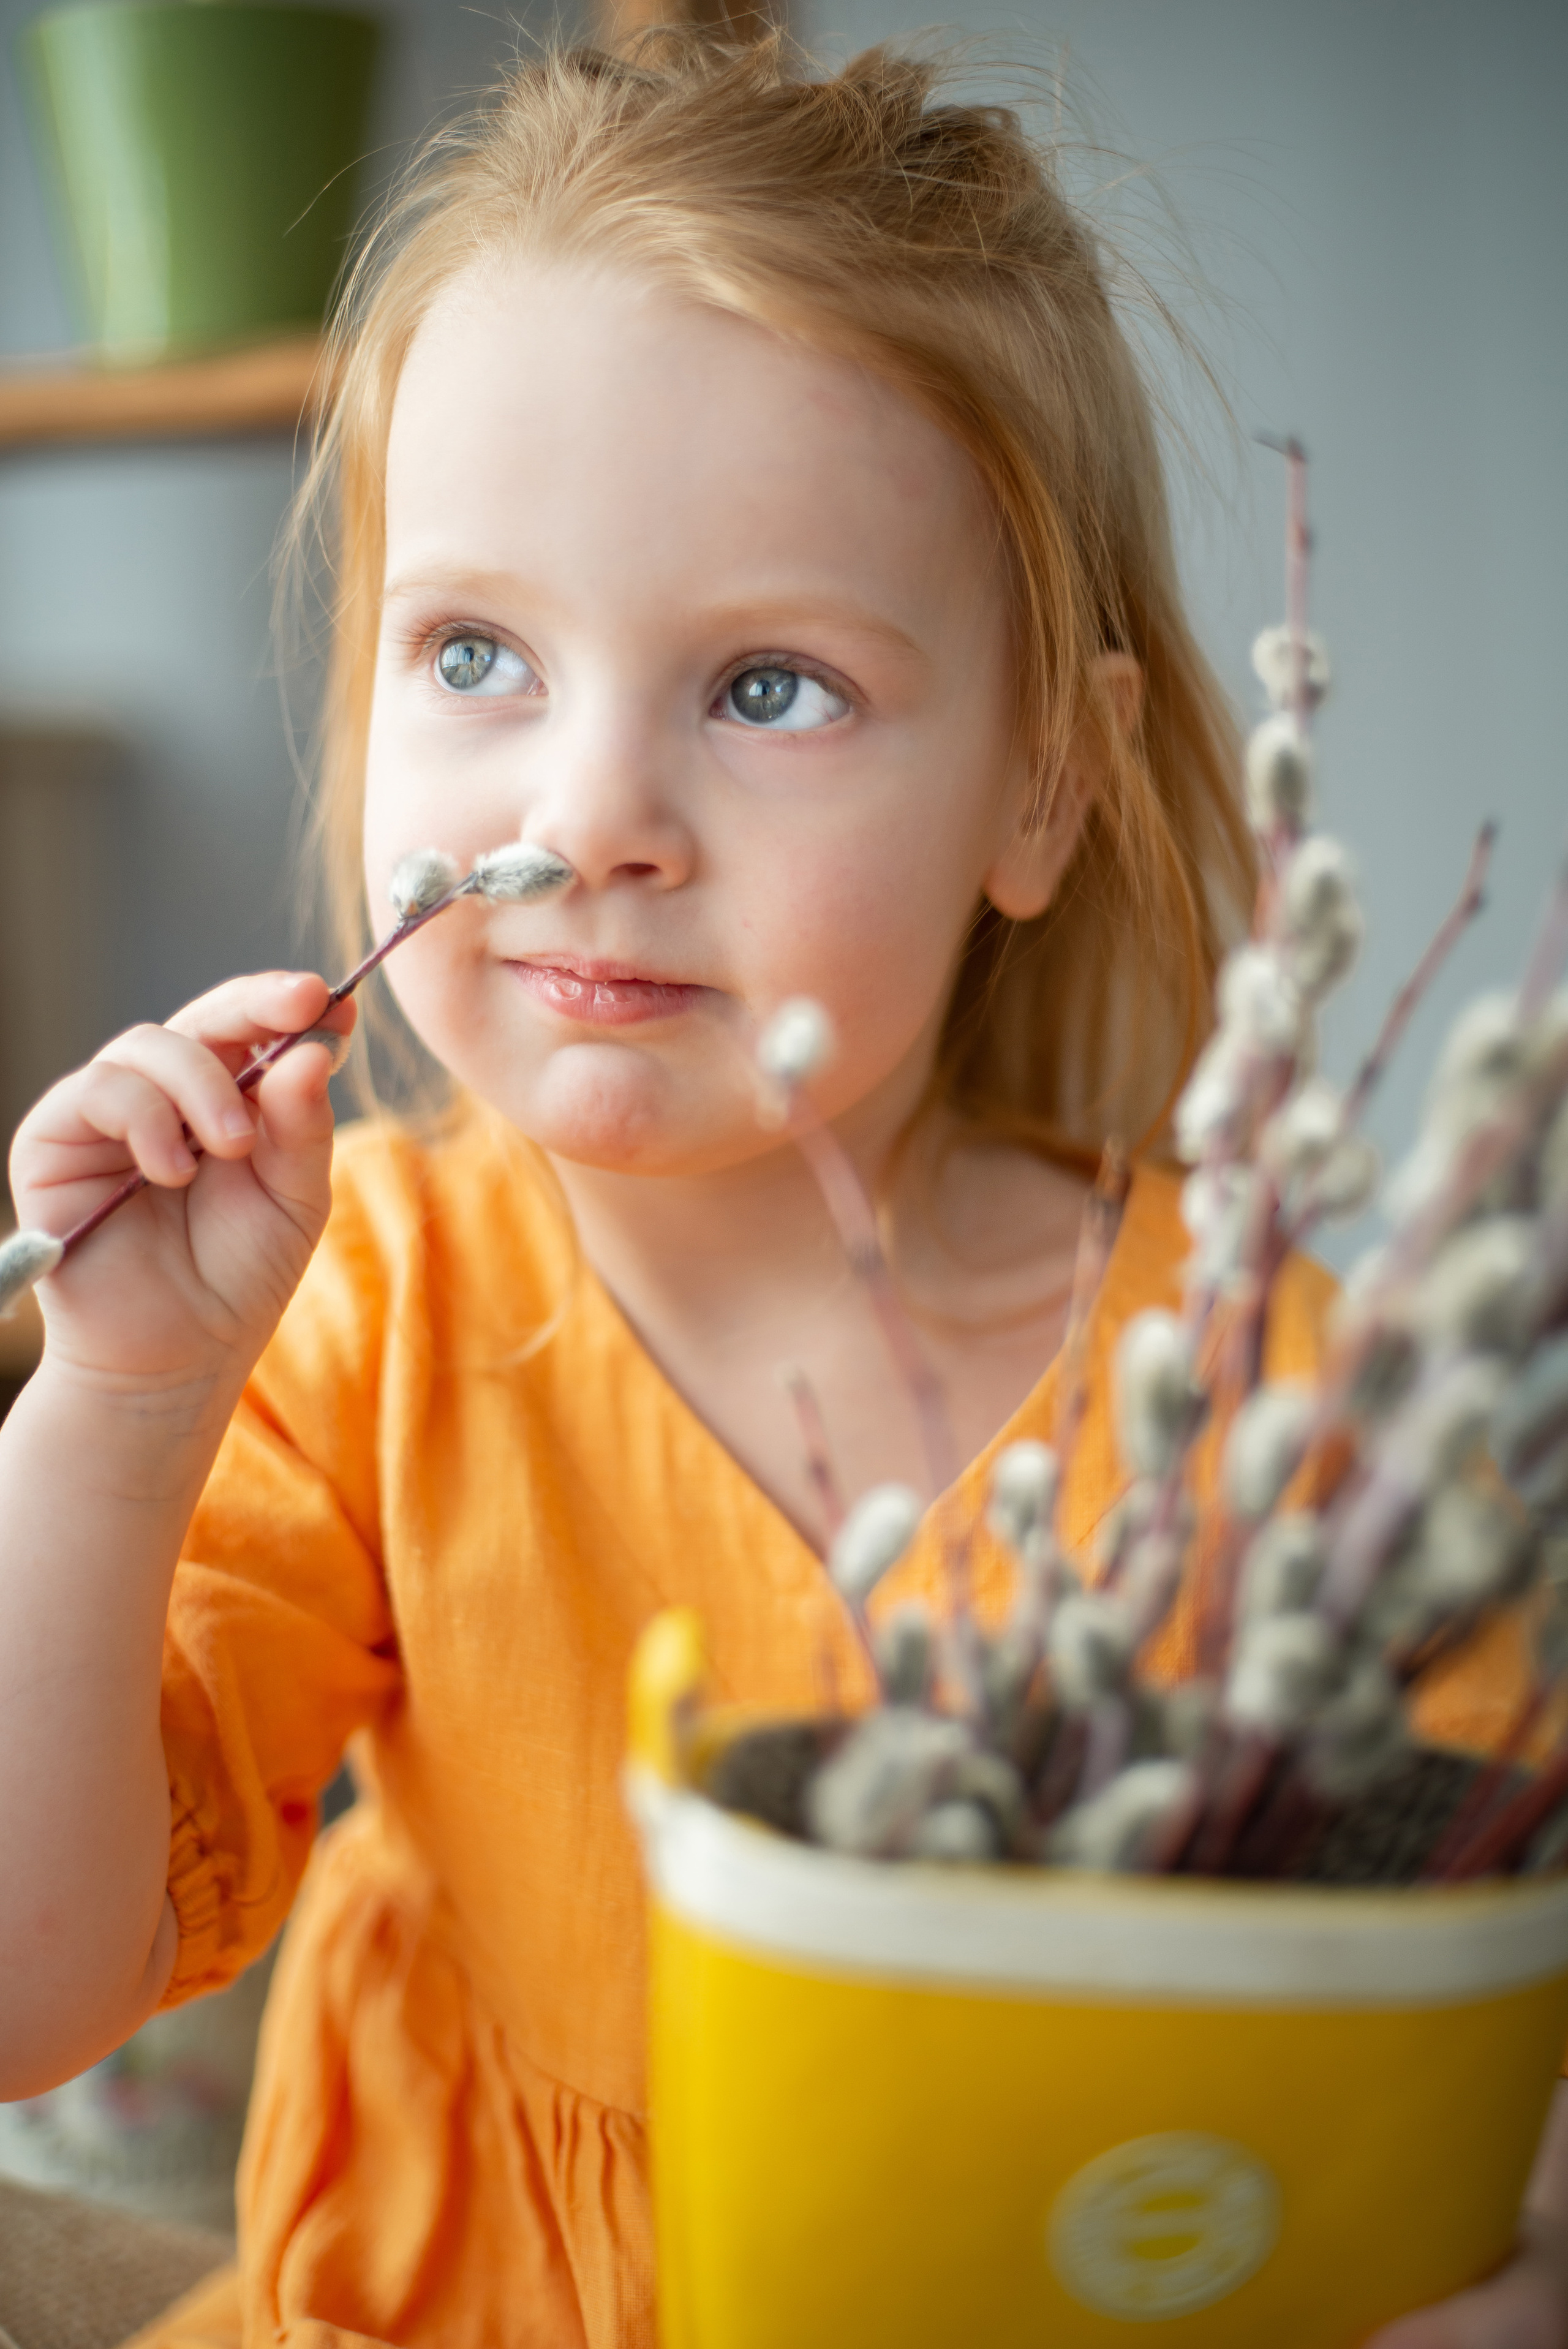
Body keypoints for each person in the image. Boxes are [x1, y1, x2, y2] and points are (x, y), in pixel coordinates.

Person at [0, 33, 1559, 2349]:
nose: (596, 809)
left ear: (1046, 783)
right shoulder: (371, 1320)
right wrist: (114, 1412)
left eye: (768, 688)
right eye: (474, 653)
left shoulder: (1287, 1413)